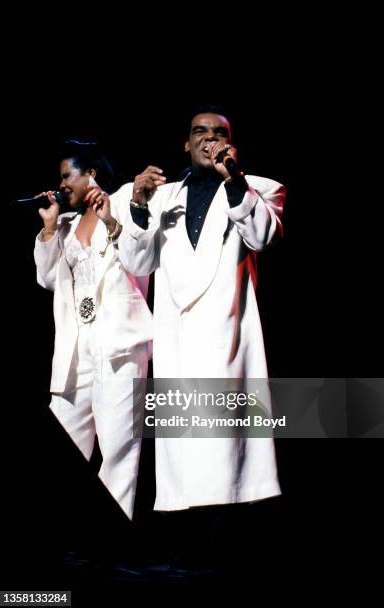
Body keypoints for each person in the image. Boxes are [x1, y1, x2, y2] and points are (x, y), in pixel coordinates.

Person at [116, 105, 286, 569]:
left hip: (227, 337)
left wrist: (234, 179)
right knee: (183, 452)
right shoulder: (162, 194)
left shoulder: (259, 188)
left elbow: (261, 236)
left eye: (218, 133)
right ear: (185, 144)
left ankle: (221, 555)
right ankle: (186, 551)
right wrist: (136, 205)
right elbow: (136, 264)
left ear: (231, 144)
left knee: (225, 449)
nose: (208, 140)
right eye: (199, 133)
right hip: (177, 340)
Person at [34, 140, 152, 520]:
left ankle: (110, 543)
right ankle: (68, 535)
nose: (62, 184)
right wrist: (50, 229)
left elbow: (142, 258)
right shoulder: (66, 224)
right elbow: (49, 280)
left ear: (91, 174)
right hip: (76, 346)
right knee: (65, 435)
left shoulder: (123, 201)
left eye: (67, 175)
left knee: (118, 448)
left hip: (119, 341)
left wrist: (111, 220)